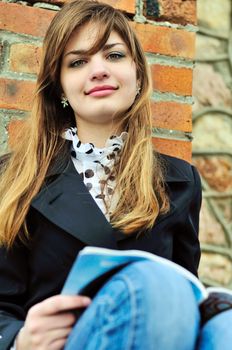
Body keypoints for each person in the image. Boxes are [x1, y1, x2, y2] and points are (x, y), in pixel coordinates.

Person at [0, 1, 231, 349]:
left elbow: (187, 293)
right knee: (153, 281)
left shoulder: (182, 180)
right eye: (77, 62)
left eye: (114, 56)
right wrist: (19, 339)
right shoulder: (13, 177)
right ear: (60, 87)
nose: (98, 70)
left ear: (138, 74)